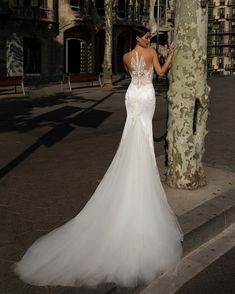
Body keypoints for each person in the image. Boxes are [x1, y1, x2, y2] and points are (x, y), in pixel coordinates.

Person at [13, 32, 183, 289]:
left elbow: (130, 74)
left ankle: (132, 172)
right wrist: (170, 54)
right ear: (140, 38)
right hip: (146, 96)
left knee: (131, 133)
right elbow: (160, 74)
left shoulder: (126, 56)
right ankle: (142, 177)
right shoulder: (151, 54)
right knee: (143, 134)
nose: (149, 39)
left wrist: (141, 74)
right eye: (147, 36)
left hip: (131, 96)